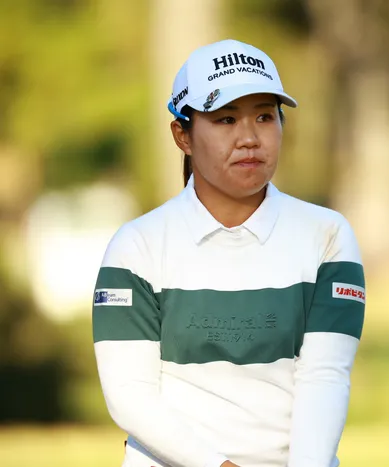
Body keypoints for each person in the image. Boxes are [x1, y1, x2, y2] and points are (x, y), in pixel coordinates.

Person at [92, 39, 366, 467]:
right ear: (182, 135)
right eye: (225, 119)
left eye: (264, 116)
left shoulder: (327, 235)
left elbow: (325, 376)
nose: (249, 138)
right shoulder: (137, 246)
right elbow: (130, 395)